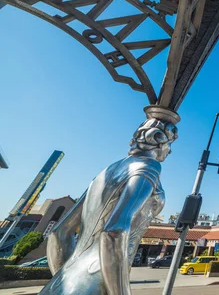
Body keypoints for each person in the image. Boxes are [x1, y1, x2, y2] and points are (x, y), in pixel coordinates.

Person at [39, 109, 179, 295]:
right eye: (170, 144)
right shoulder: (149, 168)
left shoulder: (106, 172)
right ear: (161, 141)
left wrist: (65, 278)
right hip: (97, 281)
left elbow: (59, 233)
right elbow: (114, 231)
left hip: (62, 282)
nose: (170, 150)